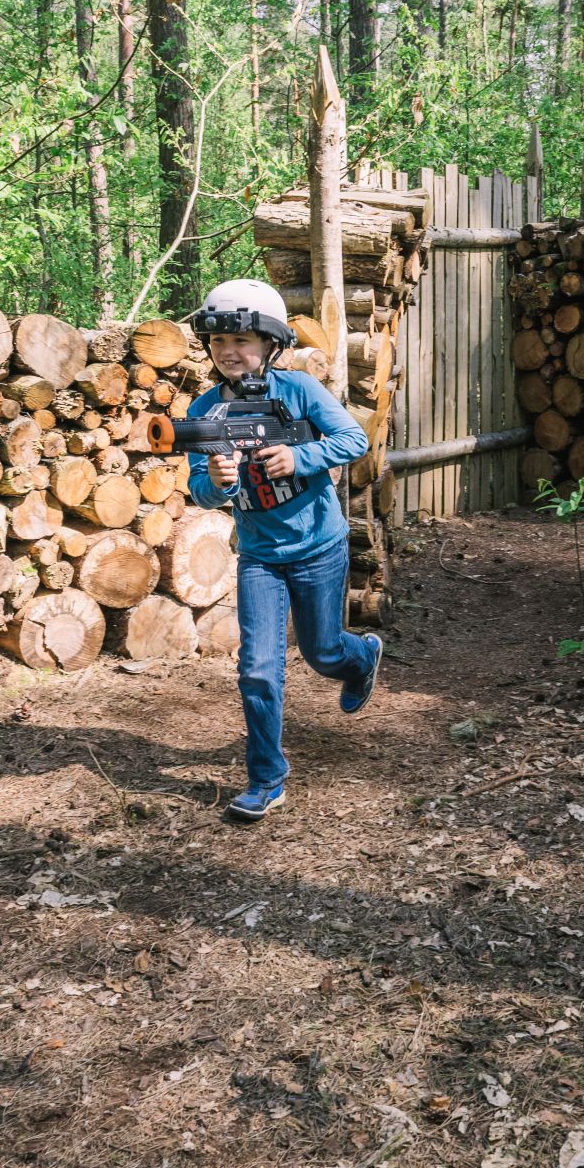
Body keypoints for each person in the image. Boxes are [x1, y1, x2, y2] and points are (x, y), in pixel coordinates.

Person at [183, 279, 383, 822]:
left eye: (244, 341)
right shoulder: (204, 411)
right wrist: (220, 481)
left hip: (320, 545)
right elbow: (199, 487)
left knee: (321, 654)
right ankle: (267, 778)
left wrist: (303, 458)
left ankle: (360, 656)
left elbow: (354, 439)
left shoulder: (298, 390)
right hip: (260, 558)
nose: (230, 352)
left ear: (271, 344)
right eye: (220, 342)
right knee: (258, 668)